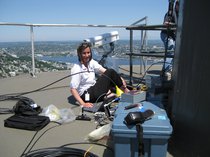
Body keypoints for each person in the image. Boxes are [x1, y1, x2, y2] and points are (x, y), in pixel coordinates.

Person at [70, 42, 129, 108]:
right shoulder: (77, 68)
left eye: (88, 52)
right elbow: (73, 89)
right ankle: (127, 93)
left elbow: (104, 71)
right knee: (110, 72)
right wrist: (83, 104)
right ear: (79, 54)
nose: (87, 55)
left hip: (93, 89)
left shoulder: (91, 62)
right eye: (84, 53)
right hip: (87, 95)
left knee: (110, 77)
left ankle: (110, 94)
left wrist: (119, 78)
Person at [160, 0, 179, 71]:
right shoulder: (171, 13)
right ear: (176, 5)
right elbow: (166, 23)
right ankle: (166, 70)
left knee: (173, 52)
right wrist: (170, 24)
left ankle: (165, 69)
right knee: (170, 51)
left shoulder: (179, 14)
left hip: (172, 36)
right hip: (166, 34)